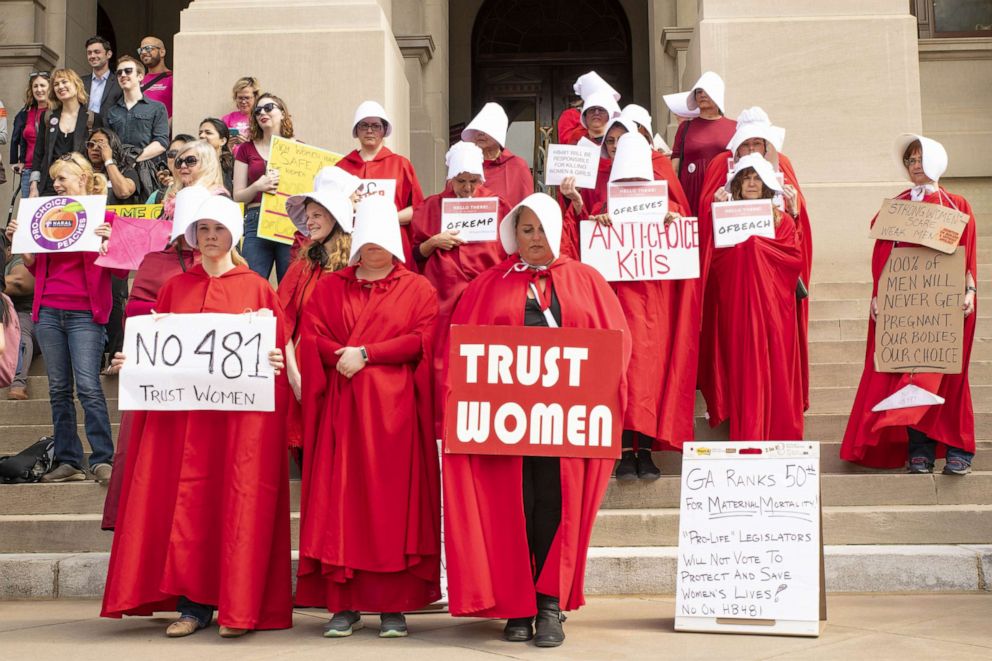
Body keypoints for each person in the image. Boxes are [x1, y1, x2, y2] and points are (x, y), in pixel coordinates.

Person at [443, 193, 631, 648]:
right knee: (512, 508)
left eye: (542, 229)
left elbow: (616, 346)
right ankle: (518, 605)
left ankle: (549, 603)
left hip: (565, 424)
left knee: (554, 506)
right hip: (504, 424)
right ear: (514, 235)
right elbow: (463, 352)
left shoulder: (586, 280)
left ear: (558, 230)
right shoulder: (489, 284)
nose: (535, 239)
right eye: (526, 230)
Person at [101, 194, 293, 637]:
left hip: (236, 425)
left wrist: (274, 362)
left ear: (233, 236)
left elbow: (274, 352)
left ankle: (238, 605)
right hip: (183, 423)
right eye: (202, 230)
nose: (210, 238)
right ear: (192, 236)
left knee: (235, 504)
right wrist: (135, 363)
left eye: (218, 230)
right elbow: (160, 351)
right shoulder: (175, 288)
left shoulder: (257, 288)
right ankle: (193, 606)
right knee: (187, 507)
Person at [296, 197, 440, 638]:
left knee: (391, 508)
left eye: (383, 240)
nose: (375, 248)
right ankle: (344, 604)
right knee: (343, 504)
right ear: (358, 242)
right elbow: (311, 335)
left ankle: (393, 606)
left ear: (395, 243)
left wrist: (367, 353)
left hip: (395, 418)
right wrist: (340, 355)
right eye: (368, 240)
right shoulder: (330, 287)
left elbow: (424, 340)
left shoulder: (418, 288)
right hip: (343, 413)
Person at [841, 135, 978, 475]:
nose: (915, 166)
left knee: (946, 376)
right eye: (910, 161)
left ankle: (960, 446)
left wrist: (970, 290)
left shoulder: (956, 204)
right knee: (909, 371)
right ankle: (920, 448)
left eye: (920, 159)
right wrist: (878, 295)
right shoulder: (898, 206)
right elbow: (884, 255)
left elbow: (968, 252)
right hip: (905, 308)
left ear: (936, 160)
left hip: (945, 305)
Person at [569, 133, 693, 478]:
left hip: (655, 308)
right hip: (616, 306)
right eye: (627, 180)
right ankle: (624, 449)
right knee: (619, 374)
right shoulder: (603, 210)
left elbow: (683, 254)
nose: (634, 185)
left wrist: (675, 224)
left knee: (649, 376)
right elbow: (581, 260)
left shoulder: (671, 210)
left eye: (639, 179)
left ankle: (646, 449)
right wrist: (593, 224)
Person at [4, 153, 124, 483]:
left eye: (62, 178)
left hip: (86, 313)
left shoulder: (105, 216)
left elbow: (120, 270)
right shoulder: (45, 215)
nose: (55, 185)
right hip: (49, 312)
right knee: (59, 389)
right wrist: (21, 243)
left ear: (83, 179)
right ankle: (69, 460)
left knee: (87, 386)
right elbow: (33, 265)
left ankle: (102, 458)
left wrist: (109, 244)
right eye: (54, 179)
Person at [697, 107, 811, 410]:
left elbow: (794, 252)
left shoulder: (781, 213)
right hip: (737, 302)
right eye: (745, 145)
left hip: (773, 303)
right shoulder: (720, 167)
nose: (751, 183)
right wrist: (715, 213)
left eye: (756, 144)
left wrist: (794, 213)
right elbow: (714, 253)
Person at [411, 141, 509, 426]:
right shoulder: (430, 207)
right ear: (450, 179)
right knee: (443, 364)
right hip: (441, 298)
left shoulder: (499, 206)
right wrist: (432, 243)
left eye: (473, 181)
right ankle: (444, 426)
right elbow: (414, 254)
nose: (467, 188)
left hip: (487, 299)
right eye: (461, 182)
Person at [280, 166, 359, 452]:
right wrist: (294, 376)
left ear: (335, 218)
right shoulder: (302, 265)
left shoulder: (359, 266)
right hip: (303, 376)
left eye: (317, 215)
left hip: (345, 376)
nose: (309, 222)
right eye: (308, 215)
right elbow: (283, 321)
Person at [336, 100, 424, 267]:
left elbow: (418, 208)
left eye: (376, 126)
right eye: (364, 125)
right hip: (352, 243)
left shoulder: (401, 165)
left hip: (393, 240)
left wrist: (389, 218)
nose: (370, 130)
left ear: (384, 130)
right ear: (356, 130)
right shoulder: (341, 167)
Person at [233, 92, 296, 281]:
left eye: (269, 108)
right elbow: (237, 195)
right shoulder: (246, 149)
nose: (262, 112)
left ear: (283, 113)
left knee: (290, 285)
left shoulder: (298, 149)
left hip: (288, 220)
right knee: (251, 281)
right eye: (258, 110)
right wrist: (257, 186)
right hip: (255, 218)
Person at [664, 71, 736, 215]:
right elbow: (675, 168)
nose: (702, 94)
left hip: (722, 190)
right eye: (698, 91)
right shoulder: (685, 127)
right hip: (691, 190)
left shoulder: (735, 126)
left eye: (706, 91)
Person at [29, 68, 96, 197]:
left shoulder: (92, 118)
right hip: (49, 185)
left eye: (64, 82)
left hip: (78, 186)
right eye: (56, 84)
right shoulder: (48, 117)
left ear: (76, 85)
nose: (60, 86)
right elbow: (38, 154)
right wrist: (34, 185)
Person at [461, 102, 533, 206]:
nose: (480, 133)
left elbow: (527, 208)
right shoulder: (463, 164)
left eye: (485, 128)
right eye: (477, 129)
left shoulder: (518, 166)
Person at [104, 55, 169, 169]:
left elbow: (162, 143)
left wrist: (134, 159)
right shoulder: (112, 111)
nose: (123, 75)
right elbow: (108, 144)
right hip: (119, 170)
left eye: (128, 71)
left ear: (140, 76)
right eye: (119, 73)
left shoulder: (157, 108)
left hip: (148, 170)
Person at [3, 241, 36, 400]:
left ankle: (18, 383)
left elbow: (19, 282)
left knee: (20, 331)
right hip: (6, 319)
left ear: (9, 250)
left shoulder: (18, 259)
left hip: (28, 317)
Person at [10, 71, 49, 198]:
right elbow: (19, 138)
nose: (39, 89)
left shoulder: (56, 111)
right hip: (28, 169)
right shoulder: (26, 113)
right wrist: (18, 161)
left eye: (43, 85)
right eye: (35, 86)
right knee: (29, 214)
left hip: (50, 170)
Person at [557, 71, 620, 145]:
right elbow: (566, 142)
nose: (597, 112)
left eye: (601, 109)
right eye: (592, 109)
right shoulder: (571, 115)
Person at [85, 127, 139, 205]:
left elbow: (123, 192)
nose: (94, 148)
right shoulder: (83, 172)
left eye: (100, 145)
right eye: (91, 144)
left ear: (112, 148)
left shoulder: (127, 171)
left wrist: (108, 160)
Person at [146, 133, 195, 204]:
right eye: (172, 153)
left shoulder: (207, 192)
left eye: (184, 153)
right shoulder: (157, 195)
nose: (178, 158)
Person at [81, 36, 122, 119]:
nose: (92, 56)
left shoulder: (119, 82)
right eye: (89, 53)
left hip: (109, 130)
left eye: (97, 52)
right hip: (83, 130)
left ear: (109, 54)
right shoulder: (80, 82)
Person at [137, 36, 173, 120]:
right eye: (141, 50)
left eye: (148, 48)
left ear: (162, 52)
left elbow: (180, 109)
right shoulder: (139, 80)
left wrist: (165, 128)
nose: (144, 52)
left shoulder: (172, 78)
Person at [221, 76, 259, 156]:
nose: (243, 101)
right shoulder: (227, 119)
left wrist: (247, 145)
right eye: (240, 98)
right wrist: (227, 146)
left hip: (252, 163)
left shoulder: (260, 119)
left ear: (255, 97)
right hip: (231, 163)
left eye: (247, 98)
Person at [198, 118, 234, 193]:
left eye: (208, 133)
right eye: (200, 133)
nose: (201, 135)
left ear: (222, 141)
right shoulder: (194, 163)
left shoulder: (232, 164)